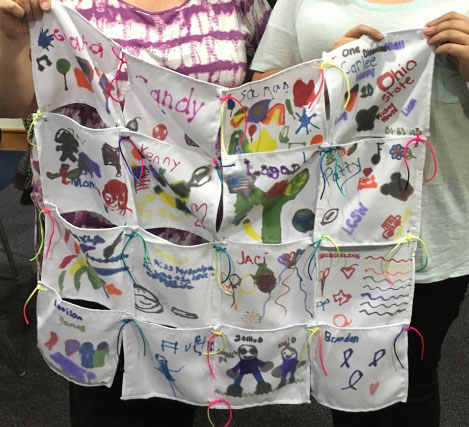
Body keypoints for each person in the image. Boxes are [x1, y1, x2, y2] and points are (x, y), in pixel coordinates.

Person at [0, 0, 271, 426]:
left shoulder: (239, 4)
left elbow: (273, 97)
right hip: (95, 249)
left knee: (180, 396)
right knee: (101, 401)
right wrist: (9, 35)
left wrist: (356, 60)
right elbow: (16, 100)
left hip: (196, 243)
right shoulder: (62, 3)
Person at [251, 1, 469, 426]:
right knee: (344, 379)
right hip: (326, 230)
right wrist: (319, 82)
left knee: (412, 380)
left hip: (434, 235)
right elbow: (260, 102)